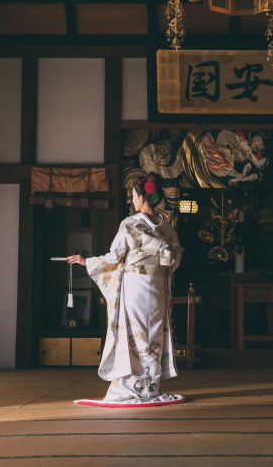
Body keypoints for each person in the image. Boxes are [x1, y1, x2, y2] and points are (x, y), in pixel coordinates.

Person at [67, 173, 184, 407]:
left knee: (135, 332)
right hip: (158, 285)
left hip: (136, 284)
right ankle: (151, 386)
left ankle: (134, 384)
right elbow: (174, 259)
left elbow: (115, 256)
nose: (132, 201)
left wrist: (86, 261)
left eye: (133, 196)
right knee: (153, 333)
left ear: (142, 197)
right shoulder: (167, 227)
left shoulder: (131, 223)